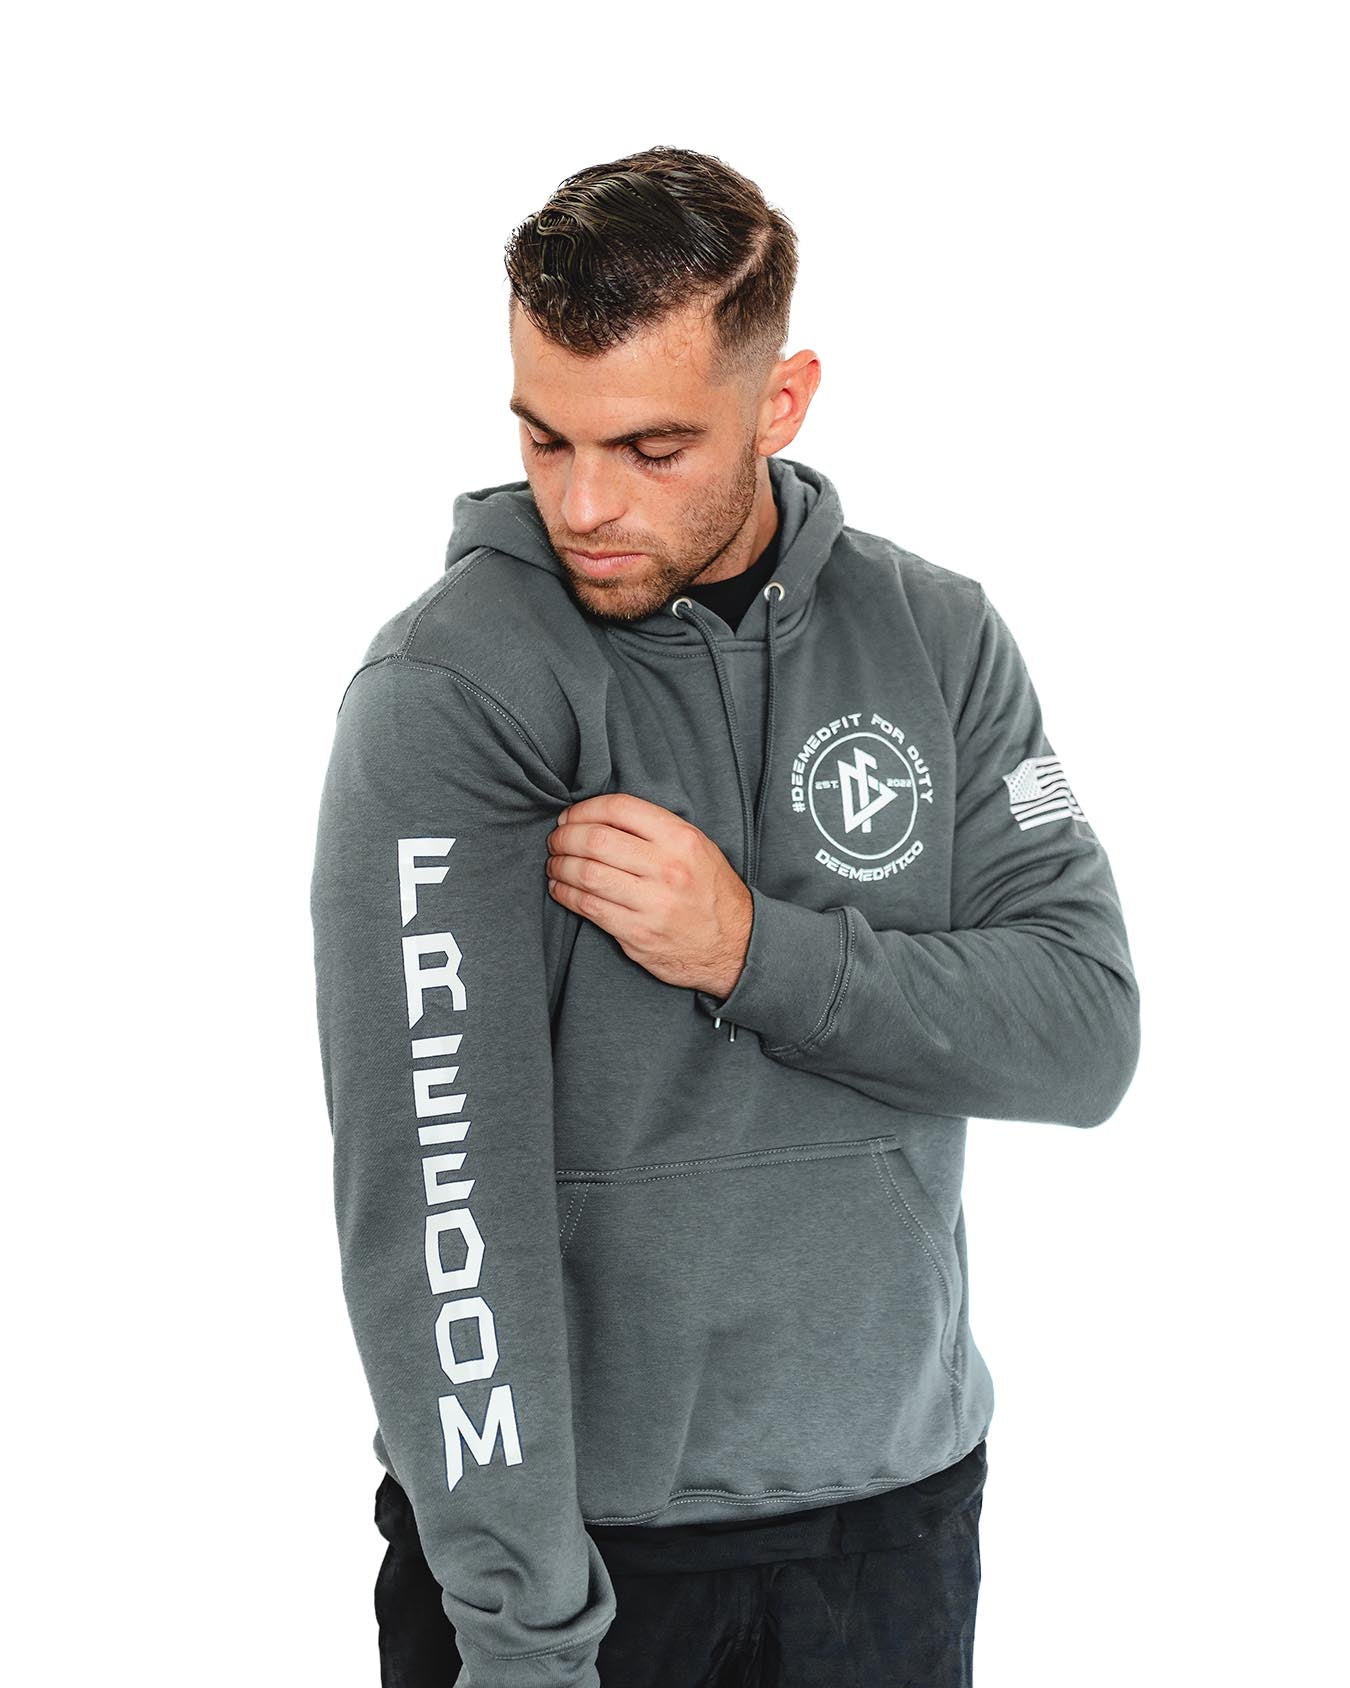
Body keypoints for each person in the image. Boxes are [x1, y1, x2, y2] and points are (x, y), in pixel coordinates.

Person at [309, 144, 1141, 1688]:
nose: (584, 504)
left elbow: (1079, 1035)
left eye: (651, 447)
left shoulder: (936, 637)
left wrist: (751, 952)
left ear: (781, 402)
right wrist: (523, 1632)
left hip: (893, 1516)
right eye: (547, 437)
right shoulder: (454, 687)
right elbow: (433, 1199)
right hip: (580, 1554)